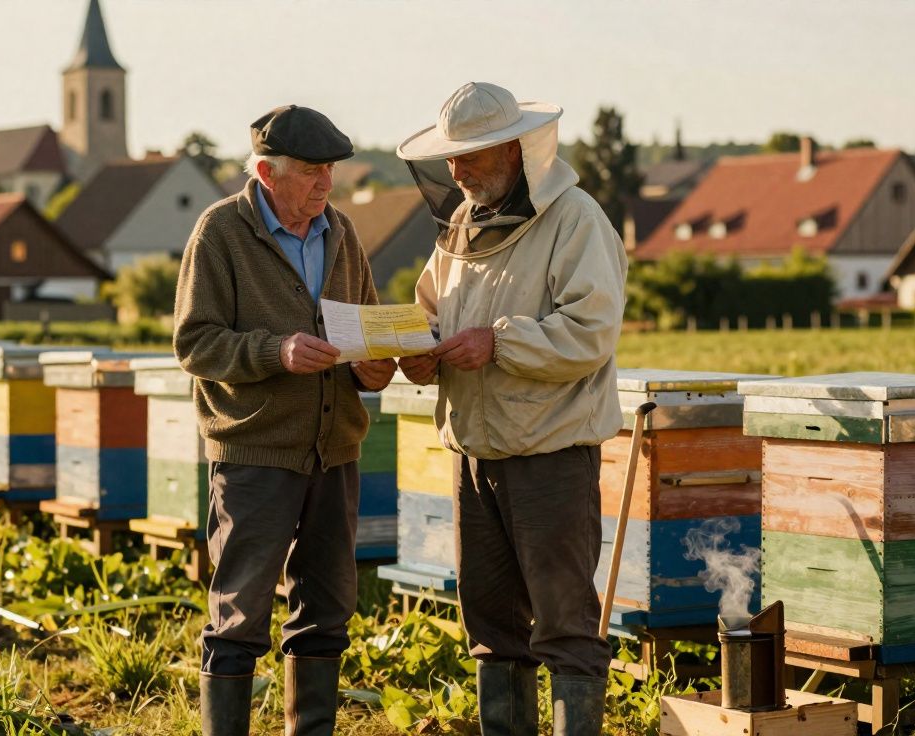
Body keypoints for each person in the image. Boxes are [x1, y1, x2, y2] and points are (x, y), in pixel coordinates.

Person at [396, 82, 629, 736]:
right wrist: (417, 352)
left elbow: (591, 330)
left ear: (513, 148)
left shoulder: (576, 219)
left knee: (564, 625)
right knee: (491, 626)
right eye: (449, 158)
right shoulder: (458, 229)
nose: (456, 172)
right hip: (473, 455)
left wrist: (499, 342)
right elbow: (430, 313)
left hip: (550, 457)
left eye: (469, 157)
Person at [173, 104, 396, 736]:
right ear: (268, 172)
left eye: (331, 170)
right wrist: (277, 351)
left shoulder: (342, 232)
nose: (327, 184)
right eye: (312, 172)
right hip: (254, 454)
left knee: (326, 612)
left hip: (335, 452)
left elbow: (366, 327)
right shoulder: (220, 232)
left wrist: (374, 367)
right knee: (239, 617)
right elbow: (195, 343)